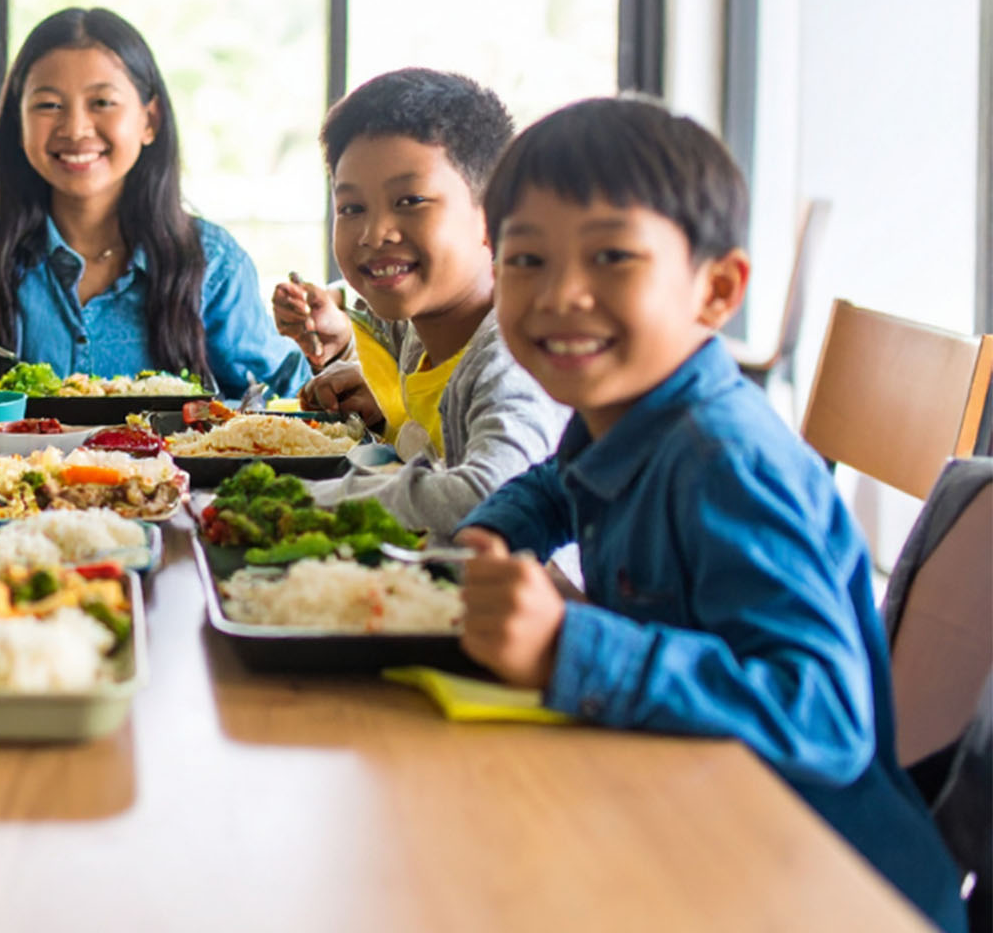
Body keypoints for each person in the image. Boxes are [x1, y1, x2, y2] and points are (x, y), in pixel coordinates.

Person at [453, 97, 966, 932]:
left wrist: (568, 645)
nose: (560, 296)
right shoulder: (627, 410)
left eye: (611, 257)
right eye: (526, 260)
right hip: (695, 822)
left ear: (717, 289)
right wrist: (496, 528)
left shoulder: (725, 461)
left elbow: (825, 716)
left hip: (825, 876)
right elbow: (560, 482)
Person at [0, 7, 305, 399]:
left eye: (102, 101)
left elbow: (289, 392)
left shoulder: (211, 261)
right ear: (18, 121)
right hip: (6, 497)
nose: (75, 128)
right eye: (49, 105)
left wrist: (334, 351)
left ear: (150, 120)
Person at [271, 69, 566, 535]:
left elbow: (492, 495)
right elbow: (379, 325)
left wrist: (301, 502)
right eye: (351, 208)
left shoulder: (513, 359)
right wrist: (339, 328)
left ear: (493, 216)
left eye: (409, 200)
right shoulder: (424, 321)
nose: (374, 234)